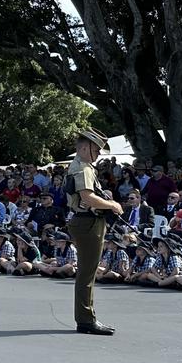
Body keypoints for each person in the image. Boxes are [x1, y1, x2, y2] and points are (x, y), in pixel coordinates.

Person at [65, 129, 123, 335]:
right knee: (87, 274)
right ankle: (86, 319)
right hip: (88, 222)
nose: (98, 153)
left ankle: (86, 318)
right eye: (96, 149)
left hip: (85, 221)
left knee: (86, 272)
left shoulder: (82, 166)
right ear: (83, 148)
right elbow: (87, 197)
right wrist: (112, 204)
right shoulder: (83, 168)